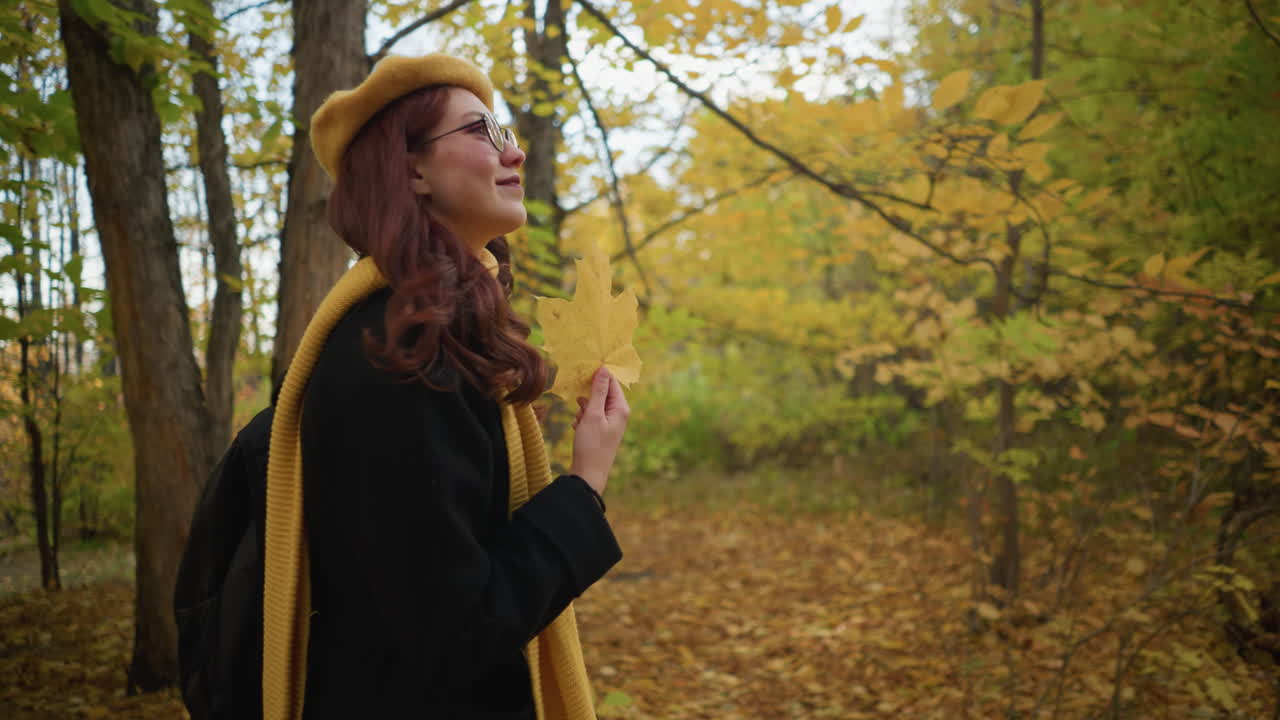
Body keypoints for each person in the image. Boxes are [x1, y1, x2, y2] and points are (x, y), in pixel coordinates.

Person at [264, 53, 629, 720]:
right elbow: (460, 631)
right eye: (481, 133)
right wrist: (584, 486)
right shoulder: (401, 355)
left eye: (508, 131)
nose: (512, 151)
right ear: (410, 170)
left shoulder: (424, 336)